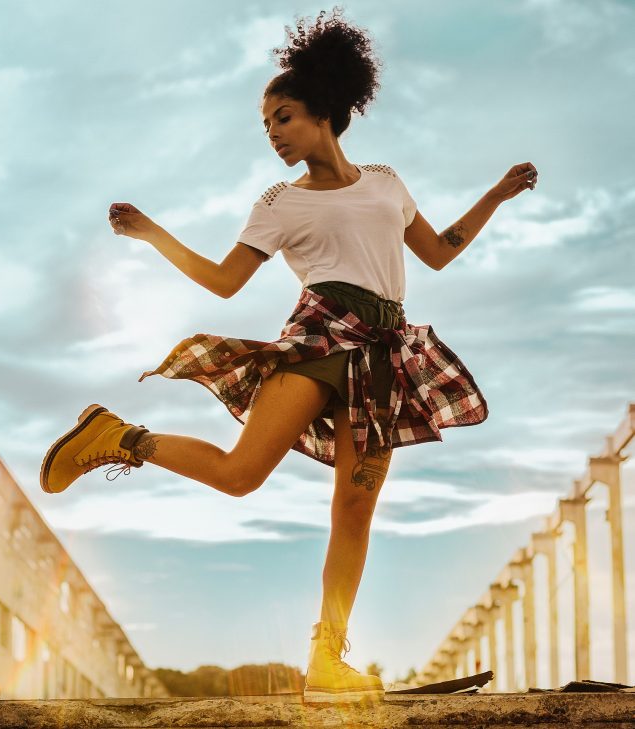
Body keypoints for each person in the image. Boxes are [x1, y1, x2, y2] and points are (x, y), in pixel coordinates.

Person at [39, 6, 538, 704]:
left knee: (354, 511)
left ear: (324, 111)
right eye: (267, 122)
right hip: (319, 339)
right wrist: (152, 233)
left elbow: (436, 252)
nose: (272, 133)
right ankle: (119, 437)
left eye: (284, 116)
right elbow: (223, 280)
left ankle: (327, 658)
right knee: (242, 474)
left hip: (382, 356)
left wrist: (495, 194)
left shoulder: (386, 182)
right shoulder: (279, 203)